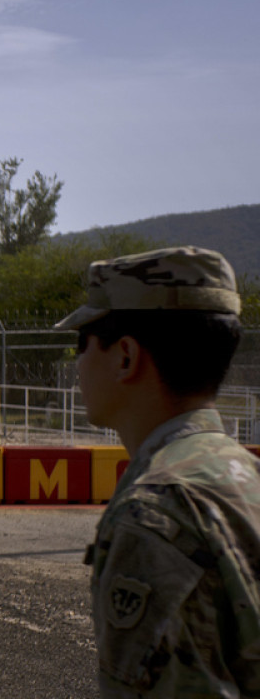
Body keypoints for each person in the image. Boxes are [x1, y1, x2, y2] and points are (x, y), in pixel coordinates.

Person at [55, 246, 260, 696]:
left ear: (125, 356)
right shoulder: (247, 475)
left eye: (82, 343)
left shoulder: (153, 515)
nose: (78, 364)